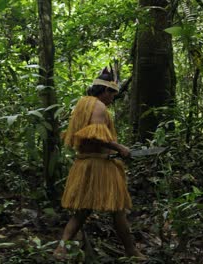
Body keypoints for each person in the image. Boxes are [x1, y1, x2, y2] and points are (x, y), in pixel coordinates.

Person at [54, 68, 145, 259]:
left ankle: (61, 248)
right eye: (113, 94)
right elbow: (95, 135)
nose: (113, 99)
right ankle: (131, 251)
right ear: (105, 91)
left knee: (82, 211)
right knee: (118, 210)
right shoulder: (98, 107)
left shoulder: (83, 104)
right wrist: (119, 147)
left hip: (84, 164)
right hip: (99, 166)